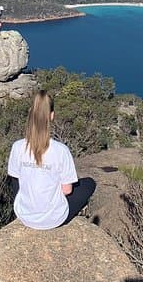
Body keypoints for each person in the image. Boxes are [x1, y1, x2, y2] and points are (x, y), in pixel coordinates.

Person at [7, 90, 96, 230]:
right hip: (54, 218)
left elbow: (15, 180)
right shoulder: (61, 150)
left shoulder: (17, 147)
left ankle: (31, 206)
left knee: (16, 179)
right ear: (52, 116)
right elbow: (67, 190)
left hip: (25, 215)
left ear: (31, 114)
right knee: (89, 183)